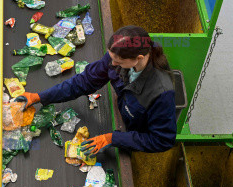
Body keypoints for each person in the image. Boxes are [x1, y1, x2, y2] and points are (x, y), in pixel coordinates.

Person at [16, 25, 177, 157]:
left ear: (139, 58)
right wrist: (40, 96)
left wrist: (113, 138)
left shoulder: (161, 93)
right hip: (126, 107)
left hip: (138, 128)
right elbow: (84, 81)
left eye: (118, 61)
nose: (112, 63)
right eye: (110, 57)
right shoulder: (119, 56)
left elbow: (161, 140)